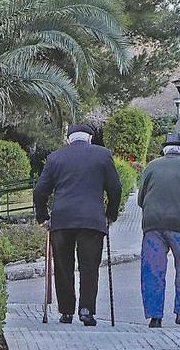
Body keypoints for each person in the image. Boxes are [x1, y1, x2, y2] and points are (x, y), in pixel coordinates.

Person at [33, 123, 122, 326]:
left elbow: (40, 191)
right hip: (92, 220)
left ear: (68, 139)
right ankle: (86, 310)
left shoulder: (55, 157)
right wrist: (111, 215)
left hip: (62, 220)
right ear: (90, 138)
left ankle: (66, 312)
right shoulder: (103, 155)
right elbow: (115, 188)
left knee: (63, 267)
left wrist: (43, 218)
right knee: (89, 266)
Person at [137, 132, 180, 328]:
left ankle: (155, 316)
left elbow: (140, 199)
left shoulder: (151, 166)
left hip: (152, 225)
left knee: (153, 270)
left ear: (165, 150)